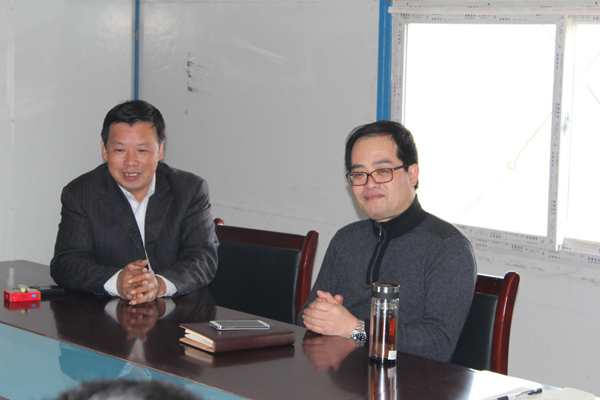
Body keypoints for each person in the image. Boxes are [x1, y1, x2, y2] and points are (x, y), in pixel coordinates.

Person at [299, 120, 476, 362]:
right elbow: (303, 319)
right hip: (342, 375)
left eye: (383, 171)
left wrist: (355, 328)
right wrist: (320, 315)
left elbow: (438, 345)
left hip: (412, 380)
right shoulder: (346, 239)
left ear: (412, 174)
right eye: (359, 174)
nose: (370, 183)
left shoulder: (447, 246)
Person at [50, 100, 218, 305]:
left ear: (160, 150)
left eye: (142, 151)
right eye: (120, 150)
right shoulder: (81, 193)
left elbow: (203, 258)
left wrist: (159, 284)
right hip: (111, 314)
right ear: (104, 150)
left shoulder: (189, 189)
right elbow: (66, 263)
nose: (130, 162)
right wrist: (117, 281)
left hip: (182, 312)